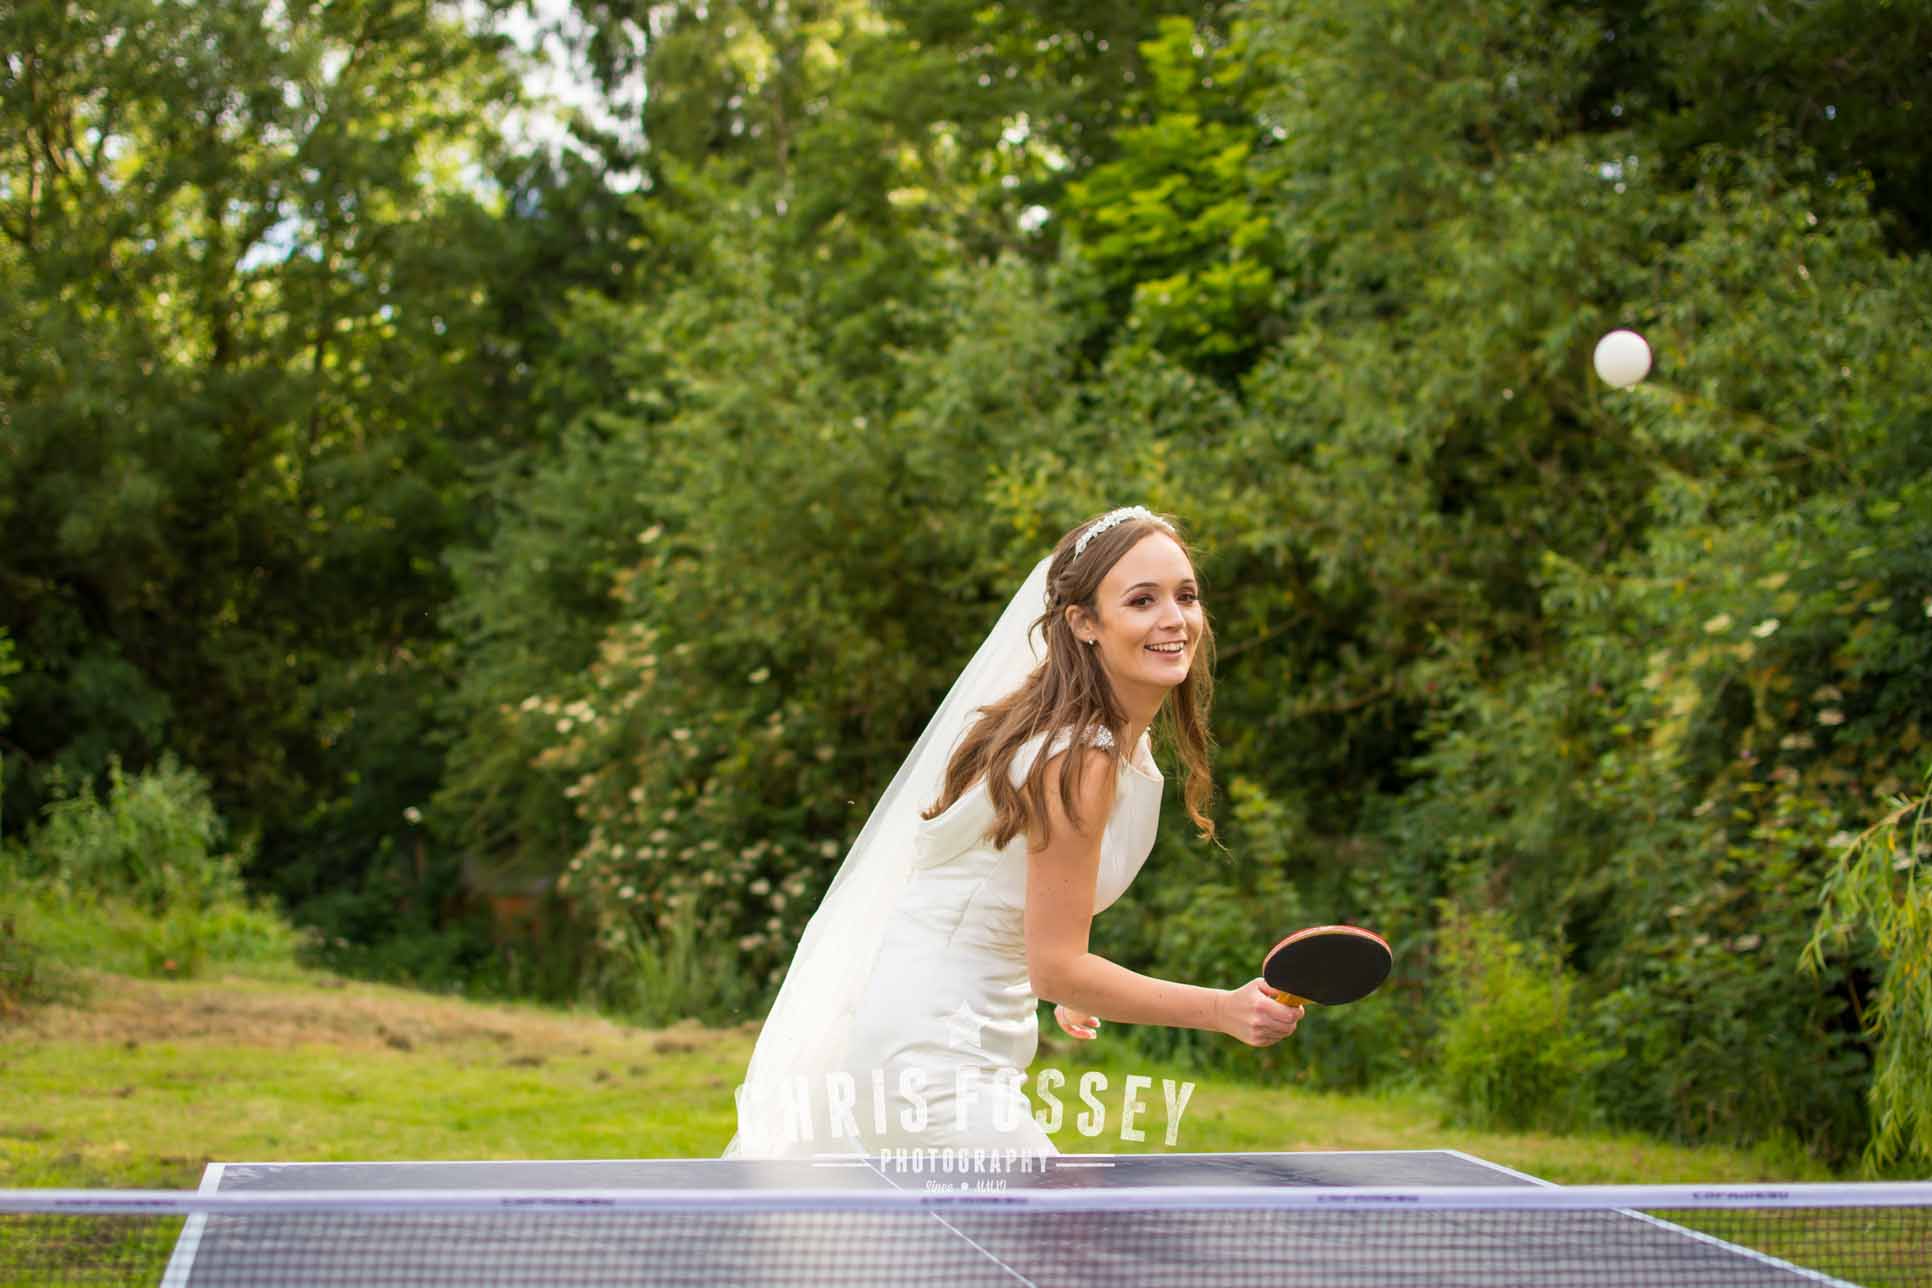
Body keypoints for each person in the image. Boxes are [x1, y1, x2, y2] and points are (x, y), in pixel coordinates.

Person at [726, 507, 1302, 1159]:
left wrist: (1068, 981)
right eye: (1142, 600)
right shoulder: (1079, 756)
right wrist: (1222, 1010)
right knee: (1051, 1224)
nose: (1174, 619)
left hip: (929, 1035)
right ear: (1083, 623)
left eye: (1186, 596)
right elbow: (1057, 968)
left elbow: (1011, 903)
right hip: (934, 1056)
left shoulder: (1084, 736)